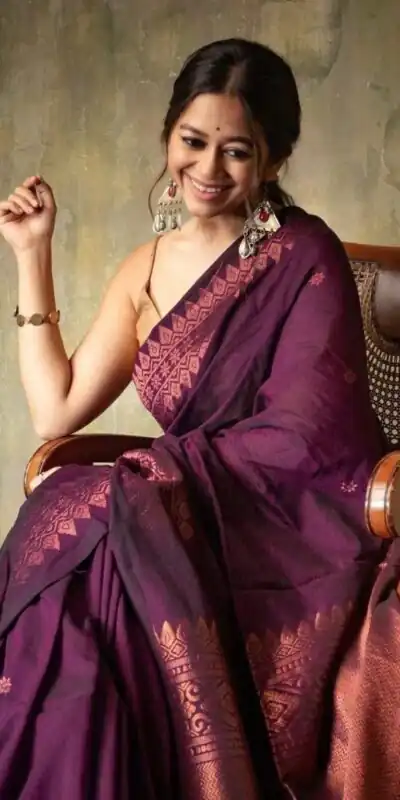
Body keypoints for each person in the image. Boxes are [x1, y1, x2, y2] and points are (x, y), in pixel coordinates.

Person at [0, 37, 395, 799]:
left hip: (269, 525)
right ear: (168, 137)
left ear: (275, 160)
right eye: (192, 141)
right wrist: (31, 253)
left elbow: (307, 438)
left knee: (100, 534)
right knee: (78, 554)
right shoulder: (144, 268)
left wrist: (158, 477)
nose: (208, 169)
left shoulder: (304, 256)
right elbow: (57, 409)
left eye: (236, 150)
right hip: (170, 510)